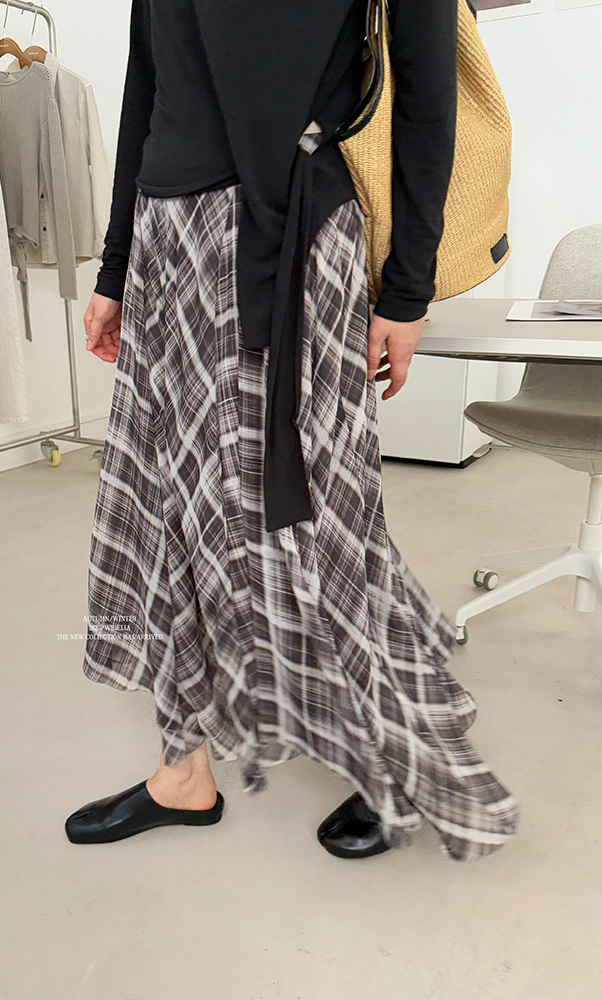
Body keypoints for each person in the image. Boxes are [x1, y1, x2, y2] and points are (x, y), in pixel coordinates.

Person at [66, 0, 520, 862]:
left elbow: (427, 95)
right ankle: (182, 771)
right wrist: (118, 263)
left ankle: (399, 757)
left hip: (296, 239)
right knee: (169, 511)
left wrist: (407, 291)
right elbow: (148, 85)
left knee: (322, 521)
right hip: (169, 238)